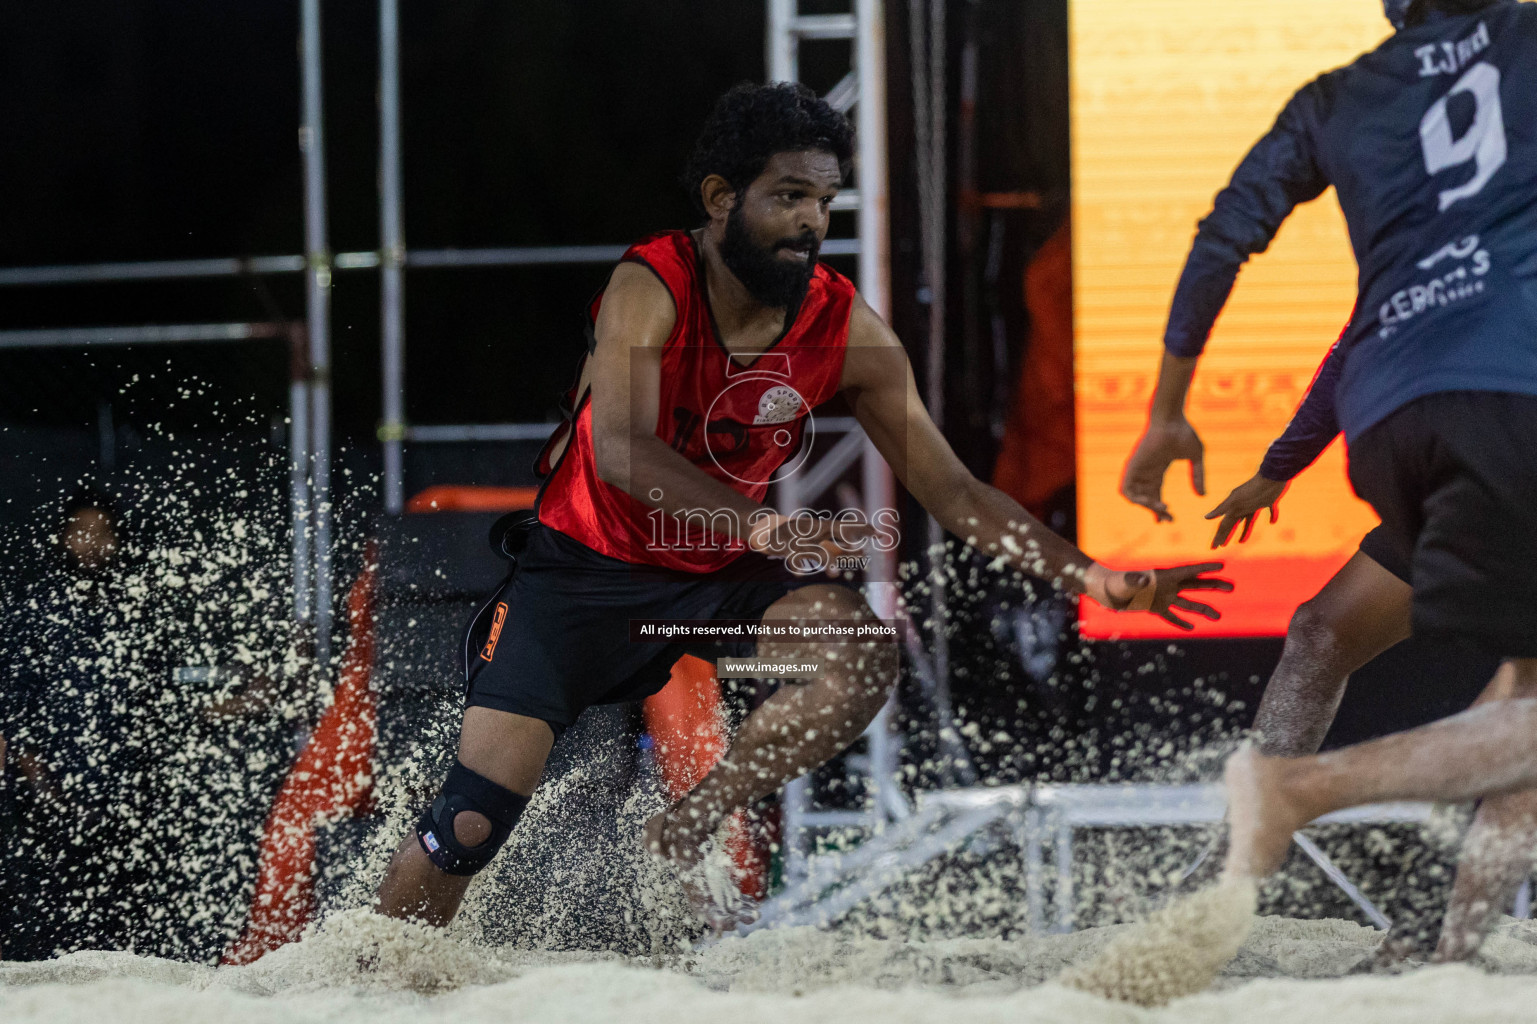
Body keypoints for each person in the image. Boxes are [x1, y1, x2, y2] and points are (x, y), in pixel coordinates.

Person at [373, 82, 1233, 933]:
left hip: (710, 586)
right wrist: (765, 527)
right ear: (720, 198)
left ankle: (687, 820)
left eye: (825, 199)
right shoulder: (653, 282)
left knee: (858, 652)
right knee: (468, 828)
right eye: (789, 196)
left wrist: (1091, 576)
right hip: (579, 575)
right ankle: (376, 974)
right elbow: (622, 450)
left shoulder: (844, 329)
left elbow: (956, 493)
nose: (812, 221)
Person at [1122, 0, 1537, 963]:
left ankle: (1230, 890)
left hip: (1398, 425)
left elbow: (1231, 242)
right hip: (1516, 410)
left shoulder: (1341, 99)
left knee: (1323, 629)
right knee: (1529, 696)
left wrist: (1180, 418)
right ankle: (1419, 915)